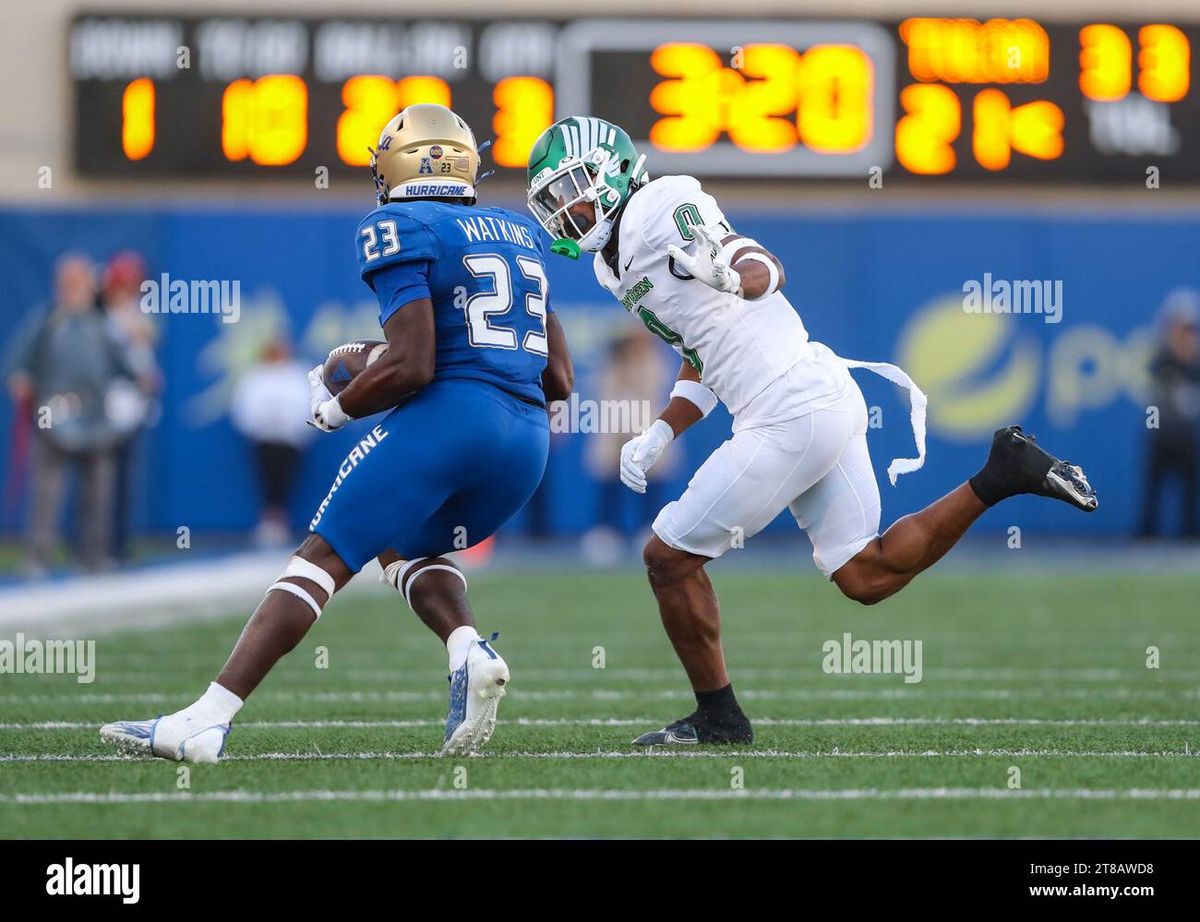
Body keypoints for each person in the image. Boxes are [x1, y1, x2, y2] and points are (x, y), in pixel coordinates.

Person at [525, 116, 1098, 746]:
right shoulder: (614, 264)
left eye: (572, 189)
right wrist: (664, 429)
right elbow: (704, 350)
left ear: (613, 174)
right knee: (865, 573)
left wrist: (735, 275)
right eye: (552, 200)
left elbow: (758, 261)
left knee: (667, 559)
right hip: (817, 394)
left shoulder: (660, 204)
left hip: (788, 408)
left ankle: (719, 718)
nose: (565, 210)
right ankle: (1003, 473)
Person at [101, 104, 574, 762]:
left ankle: (204, 721)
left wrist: (339, 407)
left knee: (321, 557)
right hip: (525, 444)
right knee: (400, 542)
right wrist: (368, 361)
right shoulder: (519, 234)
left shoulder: (399, 223)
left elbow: (415, 364)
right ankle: (468, 648)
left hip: (451, 422)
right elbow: (560, 381)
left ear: (406, 164)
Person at [6, 253, 134, 575]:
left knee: (98, 492)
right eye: (70, 284)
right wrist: (21, 378)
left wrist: (138, 377)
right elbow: (19, 362)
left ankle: (94, 556)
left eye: (82, 284)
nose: (76, 290)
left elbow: (124, 363)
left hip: (96, 416)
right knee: (47, 491)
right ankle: (38, 556)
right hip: (55, 414)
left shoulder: (102, 324)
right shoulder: (47, 321)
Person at [99, 250, 160, 563]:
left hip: (134, 404)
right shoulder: (103, 315)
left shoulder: (137, 311)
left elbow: (145, 347)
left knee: (127, 479)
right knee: (104, 478)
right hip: (111, 401)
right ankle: (101, 544)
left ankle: (121, 542)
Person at [230, 336, 313, 547]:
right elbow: (243, 407)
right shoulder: (256, 376)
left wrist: (294, 427)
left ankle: (281, 522)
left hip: (289, 440)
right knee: (266, 478)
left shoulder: (298, 375)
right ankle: (269, 523)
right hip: (264, 439)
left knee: (285, 479)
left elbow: (308, 405)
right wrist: (260, 425)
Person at [1138, 289, 1200, 539]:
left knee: (1191, 489)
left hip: (1188, 437)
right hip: (1162, 435)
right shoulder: (1162, 360)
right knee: (1154, 488)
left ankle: (1189, 535)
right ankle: (1146, 537)